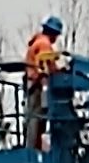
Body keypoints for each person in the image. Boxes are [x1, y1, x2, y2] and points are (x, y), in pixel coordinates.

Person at [24, 15, 66, 149]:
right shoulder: (44, 44)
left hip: (32, 82)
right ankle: (33, 147)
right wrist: (60, 73)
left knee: (35, 115)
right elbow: (48, 63)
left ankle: (34, 145)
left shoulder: (37, 42)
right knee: (37, 116)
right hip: (37, 83)